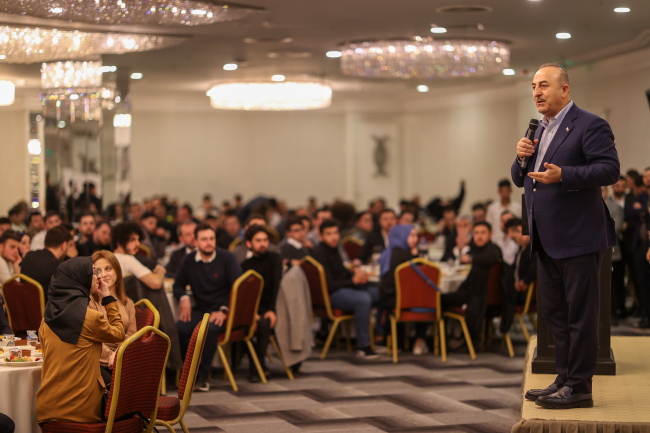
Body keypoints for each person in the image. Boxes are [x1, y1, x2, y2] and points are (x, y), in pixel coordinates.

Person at [512, 63, 619, 409]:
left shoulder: (590, 124)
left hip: (578, 237)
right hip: (545, 239)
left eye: (544, 85)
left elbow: (610, 169)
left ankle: (580, 387)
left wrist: (565, 175)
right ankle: (563, 379)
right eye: (533, 86)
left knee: (580, 317)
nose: (537, 92)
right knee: (556, 316)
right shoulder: (538, 129)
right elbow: (520, 179)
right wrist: (520, 158)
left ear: (565, 90)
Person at [36, 257, 124, 424]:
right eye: (94, 272)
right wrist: (108, 299)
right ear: (80, 279)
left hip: (47, 406)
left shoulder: (46, 319)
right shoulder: (90, 318)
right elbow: (119, 333)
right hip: (81, 408)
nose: (99, 276)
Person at [174, 223, 242, 391]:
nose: (209, 242)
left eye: (212, 238)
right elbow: (178, 284)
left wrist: (224, 310)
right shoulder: (189, 260)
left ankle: (202, 377)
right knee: (180, 328)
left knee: (209, 329)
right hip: (201, 310)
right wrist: (184, 297)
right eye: (204, 239)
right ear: (195, 242)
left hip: (223, 312)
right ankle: (189, 371)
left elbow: (239, 287)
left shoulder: (227, 258)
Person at [311, 220, 378, 359]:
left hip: (341, 288)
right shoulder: (320, 252)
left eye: (336, 233)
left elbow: (341, 271)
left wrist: (356, 276)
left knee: (377, 291)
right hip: (330, 295)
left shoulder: (334, 248)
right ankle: (363, 346)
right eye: (329, 234)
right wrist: (352, 281)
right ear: (321, 236)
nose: (334, 237)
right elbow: (329, 285)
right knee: (363, 299)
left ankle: (382, 337)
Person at [441, 222, 502, 348]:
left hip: (478, 297)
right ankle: (450, 337)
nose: (479, 236)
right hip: (473, 294)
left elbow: (491, 257)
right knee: (443, 297)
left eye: (483, 233)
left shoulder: (493, 249)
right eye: (476, 233)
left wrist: (470, 259)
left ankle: (444, 341)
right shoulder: (474, 249)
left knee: (440, 299)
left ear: (490, 234)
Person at [378, 224, 430, 355]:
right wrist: (416, 256)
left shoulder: (388, 252)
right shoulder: (408, 256)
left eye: (416, 235)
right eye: (412, 235)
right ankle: (420, 339)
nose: (416, 239)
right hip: (401, 299)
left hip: (389, 298)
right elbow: (423, 274)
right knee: (431, 299)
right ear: (401, 236)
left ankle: (398, 343)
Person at [89, 250, 137, 388]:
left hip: (122, 355)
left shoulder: (128, 302)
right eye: (97, 271)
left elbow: (132, 334)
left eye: (108, 268)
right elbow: (92, 337)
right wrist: (111, 356)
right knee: (117, 386)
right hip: (97, 359)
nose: (103, 274)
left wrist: (118, 353)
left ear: (117, 271)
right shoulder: (90, 301)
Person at [241, 226, 283, 382]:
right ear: (249, 243)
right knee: (240, 326)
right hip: (252, 310)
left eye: (265, 240)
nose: (263, 244)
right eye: (258, 240)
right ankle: (258, 367)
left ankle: (256, 368)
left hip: (272, 306)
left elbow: (276, 286)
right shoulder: (244, 265)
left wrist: (271, 310)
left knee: (264, 324)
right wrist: (252, 314)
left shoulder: (274, 259)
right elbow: (243, 294)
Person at [501, 218, 537, 334]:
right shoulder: (521, 249)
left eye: (519, 232)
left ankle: (503, 329)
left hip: (524, 294)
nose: (517, 236)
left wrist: (525, 281)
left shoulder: (533, 249)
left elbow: (536, 266)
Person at [20, 226, 72, 301]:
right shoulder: (59, 267)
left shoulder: (29, 256)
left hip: (24, 306)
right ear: (64, 245)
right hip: (46, 307)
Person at [628, 167, 650, 328]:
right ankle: (645, 316)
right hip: (640, 245)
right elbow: (631, 212)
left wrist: (641, 211)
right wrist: (645, 210)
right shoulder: (642, 196)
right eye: (645, 176)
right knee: (642, 282)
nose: (647, 179)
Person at [604, 182, 626, 322]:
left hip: (613, 250)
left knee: (614, 284)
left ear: (607, 191)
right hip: (596, 250)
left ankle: (616, 311)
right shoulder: (590, 206)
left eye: (602, 191)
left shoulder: (615, 207)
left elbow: (616, 227)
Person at [486, 179, 522, 245]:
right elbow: (489, 225)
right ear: (499, 191)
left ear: (510, 190)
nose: (505, 194)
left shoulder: (518, 207)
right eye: (502, 191)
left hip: (514, 241)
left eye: (507, 191)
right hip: (496, 240)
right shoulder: (492, 208)